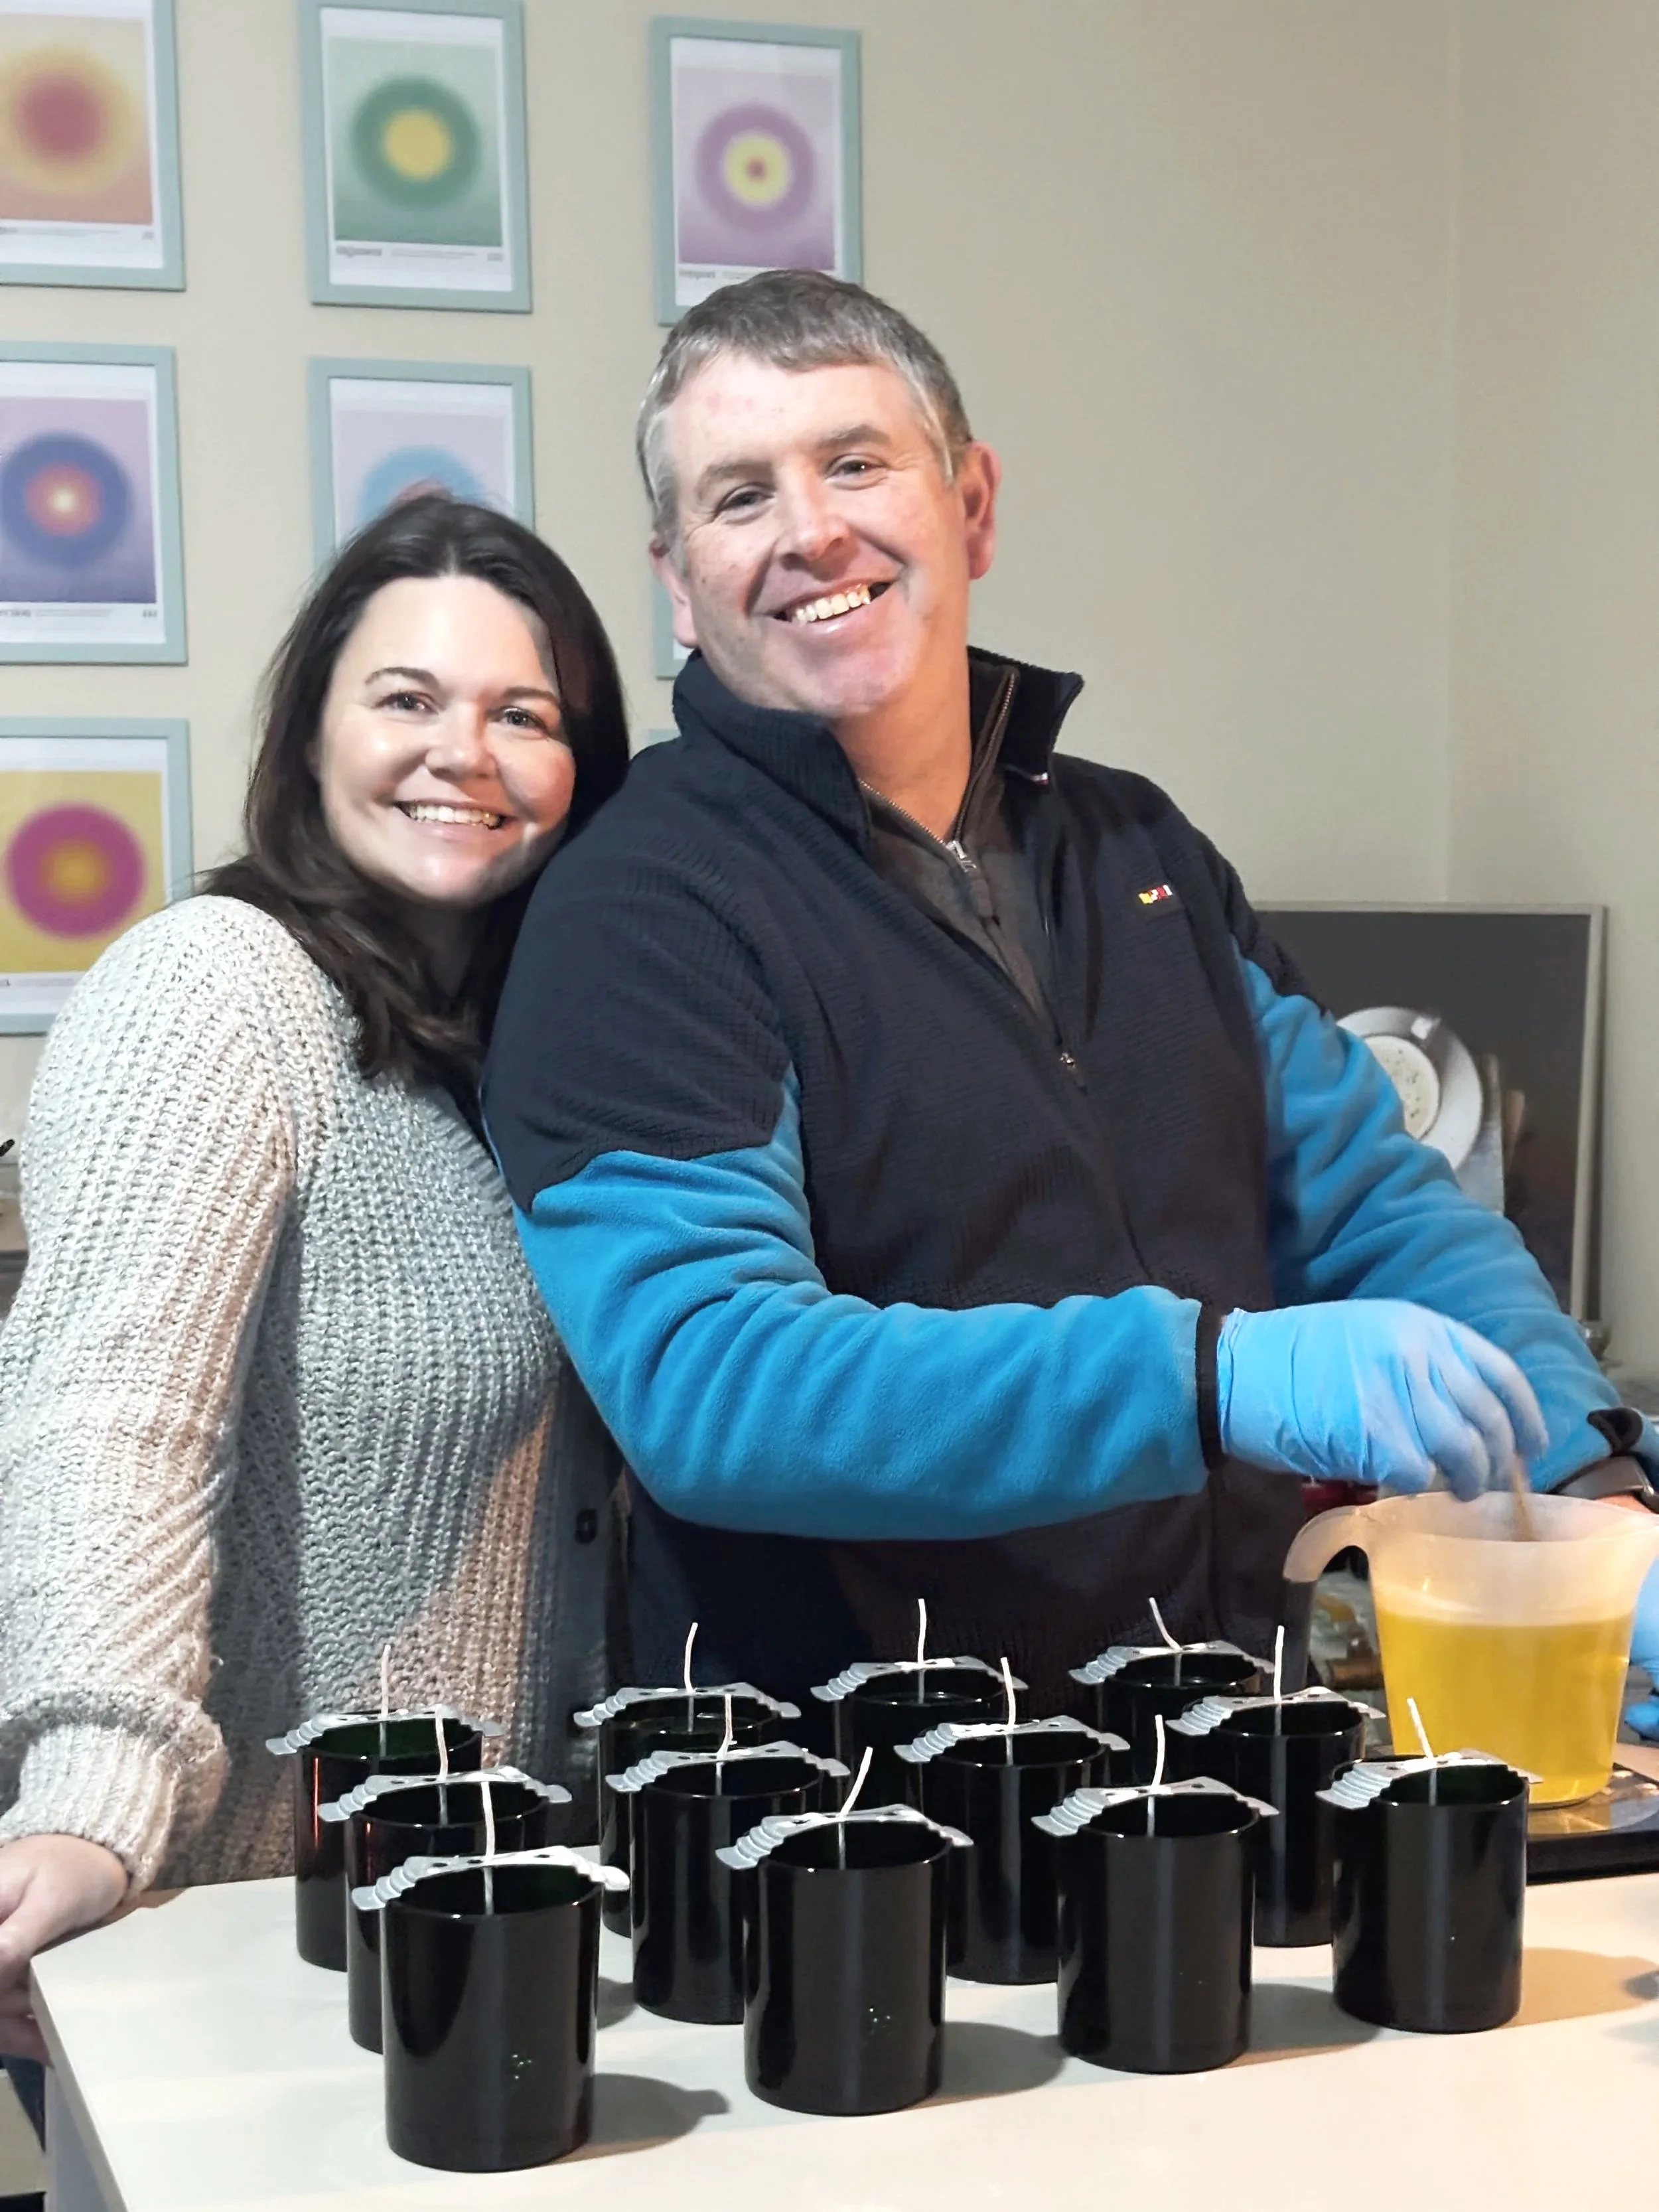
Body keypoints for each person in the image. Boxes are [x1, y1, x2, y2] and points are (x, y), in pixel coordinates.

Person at [483, 271, 1656, 1720]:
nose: (809, 531)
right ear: (677, 577)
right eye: (738, 497)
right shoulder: (640, 910)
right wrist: (1208, 1377)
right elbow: (712, 1379)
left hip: (1215, 1750)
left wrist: (1592, 1478)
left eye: (855, 462)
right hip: (863, 1815)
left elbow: (1371, 1208)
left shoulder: (1135, 847)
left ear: (969, 503)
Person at [0, 497, 630, 2124]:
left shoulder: (536, 1054)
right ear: (314, 728)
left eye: (524, 714)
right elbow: (109, 1413)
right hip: (241, 1930)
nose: (462, 754)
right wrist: (94, 1787)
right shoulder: (214, 989)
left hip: (496, 1921)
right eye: (406, 699)